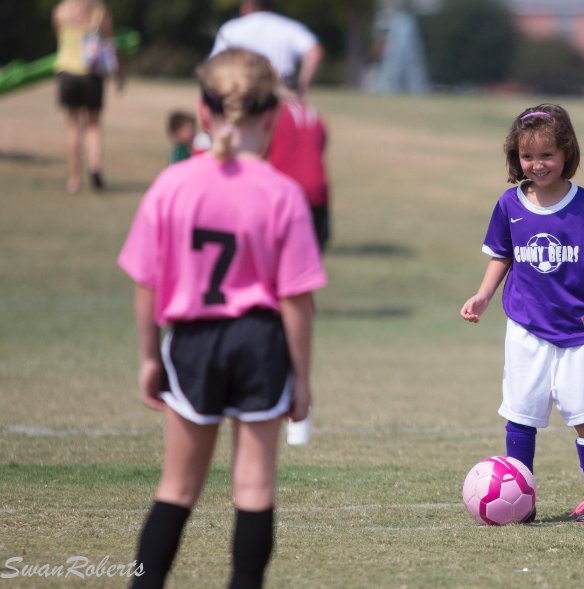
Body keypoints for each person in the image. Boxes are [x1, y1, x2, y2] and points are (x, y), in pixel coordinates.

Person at [119, 49, 327, 588]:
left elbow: (146, 282)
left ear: (202, 110)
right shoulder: (283, 193)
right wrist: (302, 378)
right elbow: (296, 299)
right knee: (254, 488)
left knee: (176, 488)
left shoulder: (173, 184)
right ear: (273, 115)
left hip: (192, 341)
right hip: (260, 342)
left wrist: (147, 357)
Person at [460, 104, 584, 525]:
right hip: (526, 327)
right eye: (527, 156)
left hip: (580, 328)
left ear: (567, 151)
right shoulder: (509, 204)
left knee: (581, 411)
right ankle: (522, 499)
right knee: (521, 412)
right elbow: (501, 255)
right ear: (516, 158)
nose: (538, 164)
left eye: (547, 155)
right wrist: (482, 295)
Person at [52, 0, 123, 194]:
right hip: (92, 73)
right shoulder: (99, 11)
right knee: (93, 125)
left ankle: (74, 178)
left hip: (67, 71)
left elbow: (59, 35)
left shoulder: (61, 11)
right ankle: (95, 166)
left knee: (73, 126)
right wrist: (119, 74)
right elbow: (110, 43)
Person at [211, 0, 324, 97]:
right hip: (280, 89)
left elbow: (215, 63)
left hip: (240, 88)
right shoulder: (288, 27)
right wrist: (301, 88)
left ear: (247, 6)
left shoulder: (231, 28)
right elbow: (315, 53)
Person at [267, 99, 330, 251]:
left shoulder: (272, 114)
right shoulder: (314, 114)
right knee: (311, 258)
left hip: (285, 191)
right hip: (317, 189)